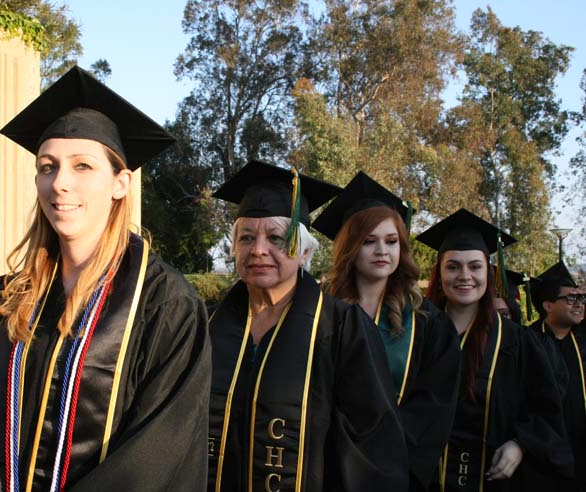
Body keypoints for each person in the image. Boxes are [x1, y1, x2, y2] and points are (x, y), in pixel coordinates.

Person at [0, 66, 211, 491]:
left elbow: (160, 452)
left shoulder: (164, 303)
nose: (60, 184)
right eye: (47, 166)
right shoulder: (16, 293)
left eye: (83, 166)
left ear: (120, 183)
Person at [208, 161, 408, 492]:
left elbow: (372, 449)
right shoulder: (208, 325)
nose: (258, 250)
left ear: (303, 252)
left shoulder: (343, 329)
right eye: (246, 238)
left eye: (275, 237)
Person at [312, 171, 461, 491]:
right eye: (369, 241)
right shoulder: (319, 314)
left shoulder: (427, 323)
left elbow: (433, 406)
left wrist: (383, 457)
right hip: (328, 467)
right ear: (350, 247)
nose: (382, 250)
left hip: (397, 469)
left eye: (391, 241)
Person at [417, 209, 572, 491]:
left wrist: (521, 443)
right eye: (453, 266)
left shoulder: (517, 342)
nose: (465, 276)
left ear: (488, 274)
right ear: (439, 274)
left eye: (475, 266)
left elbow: (547, 411)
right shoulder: (418, 333)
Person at [530, 261, 586, 490]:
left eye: (581, 299)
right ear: (548, 305)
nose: (579, 305)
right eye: (571, 299)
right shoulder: (528, 341)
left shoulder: (583, 338)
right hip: (543, 455)